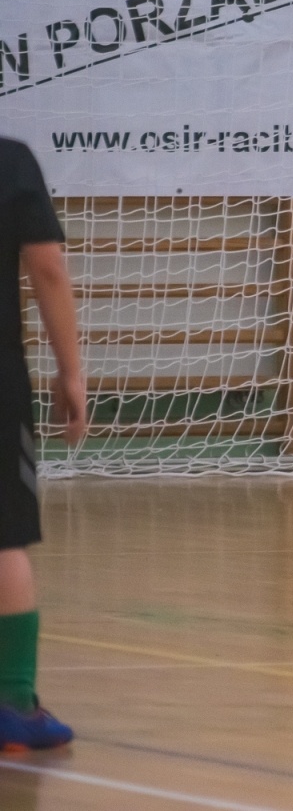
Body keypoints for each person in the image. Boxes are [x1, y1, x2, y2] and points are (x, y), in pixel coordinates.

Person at [0, 137, 84, 750]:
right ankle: (13, 701)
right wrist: (71, 371)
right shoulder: (9, 160)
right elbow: (47, 268)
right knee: (3, 540)